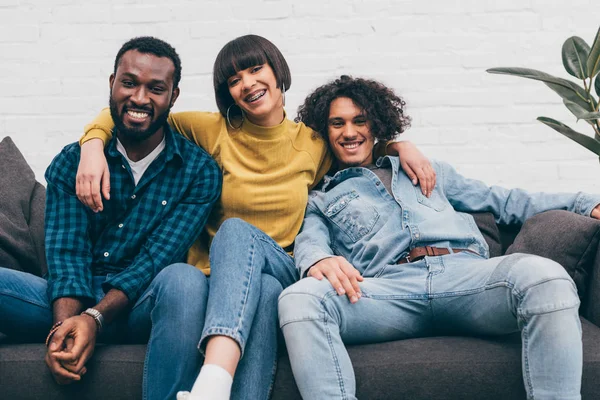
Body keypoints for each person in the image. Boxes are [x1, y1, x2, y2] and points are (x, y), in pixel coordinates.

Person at [75, 35, 435, 400]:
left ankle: (212, 382)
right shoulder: (211, 130)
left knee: (240, 239)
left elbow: (356, 146)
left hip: (280, 264)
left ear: (278, 71)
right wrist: (91, 146)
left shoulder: (312, 143)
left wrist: (398, 145)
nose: (247, 83)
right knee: (262, 291)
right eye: (234, 80)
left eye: (255, 69)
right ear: (228, 93)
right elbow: (138, 108)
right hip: (213, 282)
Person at [278, 75, 600, 400]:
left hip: (467, 279)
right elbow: (310, 241)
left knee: (546, 278)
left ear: (375, 124)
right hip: (386, 291)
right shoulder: (322, 196)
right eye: (337, 123)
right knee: (300, 299)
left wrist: (585, 203)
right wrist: (319, 258)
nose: (349, 132)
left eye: (359, 120)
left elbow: (504, 201)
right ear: (325, 131)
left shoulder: (426, 169)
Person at [0, 36, 221, 400]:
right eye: (129, 83)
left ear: (174, 97)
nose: (139, 98)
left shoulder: (198, 172)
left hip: (140, 307)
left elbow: (156, 259)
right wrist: (66, 329)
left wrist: (95, 319)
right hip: (70, 297)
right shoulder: (74, 161)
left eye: (156, 88)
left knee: (184, 280)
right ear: (112, 83)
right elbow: (66, 254)